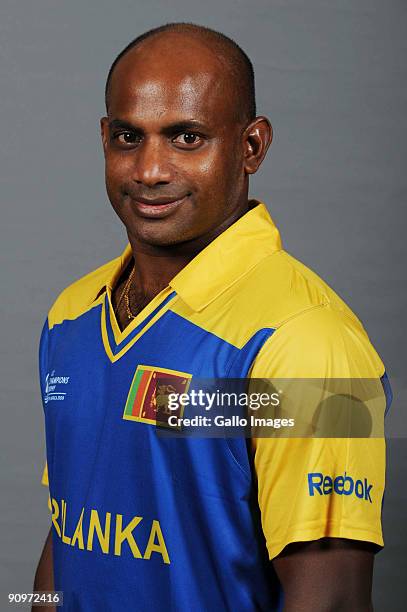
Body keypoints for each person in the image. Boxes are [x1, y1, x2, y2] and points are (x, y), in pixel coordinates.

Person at [33, 22, 392, 611]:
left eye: (186, 138)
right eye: (129, 136)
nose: (149, 169)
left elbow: (332, 602)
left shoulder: (309, 343)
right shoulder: (69, 317)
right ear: (104, 138)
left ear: (251, 146)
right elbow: (70, 536)